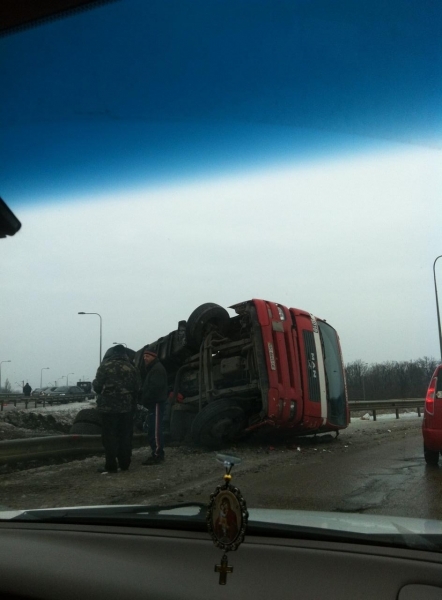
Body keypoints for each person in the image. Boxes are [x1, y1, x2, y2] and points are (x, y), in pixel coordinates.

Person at [93, 344, 140, 474]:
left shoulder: (105, 367)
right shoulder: (132, 368)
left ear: (113, 353)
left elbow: (97, 387)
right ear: (124, 354)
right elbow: (137, 388)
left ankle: (111, 466)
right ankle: (125, 463)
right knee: (125, 436)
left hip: (108, 408)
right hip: (127, 408)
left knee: (109, 437)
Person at [141, 347, 168, 465]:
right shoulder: (153, 369)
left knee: (155, 430)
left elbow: (154, 389)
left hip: (156, 402)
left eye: (147, 356)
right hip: (154, 403)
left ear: (153, 356)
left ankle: (158, 455)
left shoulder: (156, 369)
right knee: (153, 428)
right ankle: (156, 452)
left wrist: (144, 398)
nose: (145, 358)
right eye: (144, 356)